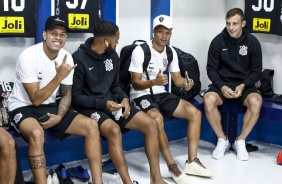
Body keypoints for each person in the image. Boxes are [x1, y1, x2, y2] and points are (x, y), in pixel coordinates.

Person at [7, 16, 102, 184]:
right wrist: (58, 77)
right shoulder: (28, 56)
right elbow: (35, 99)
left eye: (62, 34)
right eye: (53, 33)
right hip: (22, 106)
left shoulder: (66, 57)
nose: (58, 37)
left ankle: (98, 182)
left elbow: (66, 94)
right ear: (44, 35)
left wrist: (59, 116)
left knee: (92, 126)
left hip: (50, 105)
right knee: (37, 134)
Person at [72, 20, 167, 184]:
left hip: (113, 104)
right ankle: (127, 182)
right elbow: (76, 97)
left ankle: (156, 179)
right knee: (114, 130)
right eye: (116, 39)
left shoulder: (113, 56)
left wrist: (124, 98)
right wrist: (103, 105)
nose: (118, 42)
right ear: (106, 41)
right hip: (90, 108)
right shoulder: (78, 58)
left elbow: (115, 85)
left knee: (151, 125)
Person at [129, 14, 213, 183]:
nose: (164, 36)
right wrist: (154, 81)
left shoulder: (171, 51)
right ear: (153, 32)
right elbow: (136, 84)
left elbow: (177, 80)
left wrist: (186, 84)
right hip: (141, 95)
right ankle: (171, 165)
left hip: (160, 93)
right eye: (160, 32)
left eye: (167, 32)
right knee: (157, 119)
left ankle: (191, 161)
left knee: (194, 113)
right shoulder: (140, 51)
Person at [203, 7, 262, 161]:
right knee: (208, 99)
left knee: (256, 102)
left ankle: (240, 141)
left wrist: (244, 85)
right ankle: (222, 140)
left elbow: (256, 71)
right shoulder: (217, 41)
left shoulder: (252, 42)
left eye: (235, 24)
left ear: (243, 23)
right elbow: (211, 69)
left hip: (245, 84)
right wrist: (221, 86)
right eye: (228, 24)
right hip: (222, 83)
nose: (231, 28)